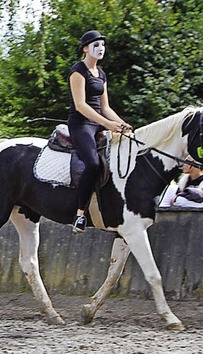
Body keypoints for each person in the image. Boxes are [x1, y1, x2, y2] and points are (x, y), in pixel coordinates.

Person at [68, 30, 131, 233]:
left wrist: (122, 124)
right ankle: (80, 214)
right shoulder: (78, 71)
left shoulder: (101, 74)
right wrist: (108, 124)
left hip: (99, 122)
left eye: (103, 45)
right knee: (93, 164)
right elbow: (80, 105)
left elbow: (105, 107)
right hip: (81, 124)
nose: (101, 48)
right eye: (96, 45)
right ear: (86, 49)